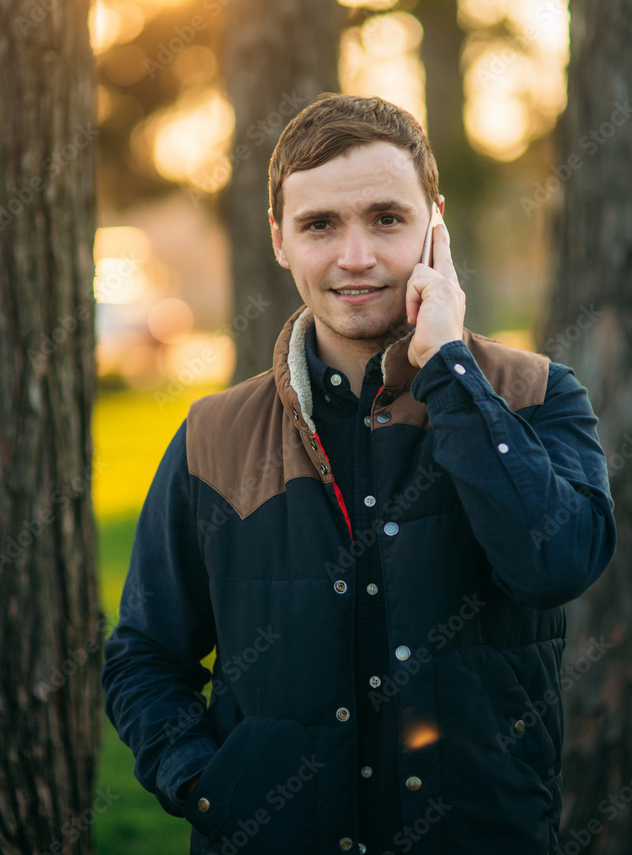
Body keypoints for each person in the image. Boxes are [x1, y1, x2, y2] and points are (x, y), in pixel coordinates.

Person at [102, 94, 616, 855]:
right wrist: (205, 785)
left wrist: (448, 370)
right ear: (279, 239)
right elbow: (144, 656)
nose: (355, 257)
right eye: (319, 225)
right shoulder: (211, 437)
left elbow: (555, 564)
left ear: (433, 226)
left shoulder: (535, 395)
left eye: (385, 218)